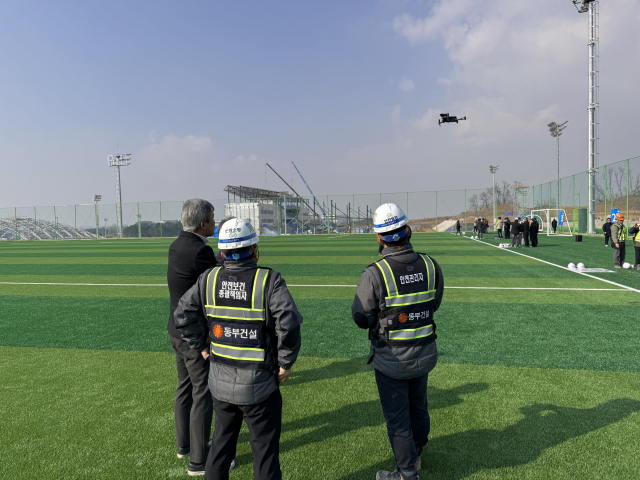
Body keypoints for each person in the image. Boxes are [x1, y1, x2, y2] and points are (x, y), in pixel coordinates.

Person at [175, 218, 303, 480]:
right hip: (260, 385)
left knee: (220, 449)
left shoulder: (207, 278)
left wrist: (201, 346)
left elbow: (182, 315)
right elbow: (288, 324)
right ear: (254, 250)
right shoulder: (269, 280)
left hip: (219, 383)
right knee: (265, 454)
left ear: (222, 252)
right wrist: (285, 362)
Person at [351, 203, 444, 480]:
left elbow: (361, 316)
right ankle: (417, 452)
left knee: (398, 417)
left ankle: (406, 472)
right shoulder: (430, 264)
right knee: (419, 405)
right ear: (408, 230)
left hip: (391, 358)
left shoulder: (375, 273)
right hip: (424, 351)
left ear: (379, 238)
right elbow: (434, 304)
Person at [167, 199, 218, 476]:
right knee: (203, 392)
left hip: (175, 330)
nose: (215, 223)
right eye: (212, 219)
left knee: (184, 389)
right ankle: (199, 461)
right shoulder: (201, 250)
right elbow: (214, 283)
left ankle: (184, 446)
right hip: (193, 334)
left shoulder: (177, 245)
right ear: (203, 223)